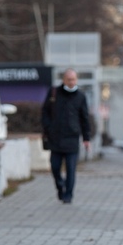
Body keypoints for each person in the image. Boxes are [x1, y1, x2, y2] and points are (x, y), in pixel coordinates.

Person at [41, 68, 93, 204]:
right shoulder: (54, 93)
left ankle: (68, 195)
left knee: (71, 169)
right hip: (56, 138)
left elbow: (84, 118)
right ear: (63, 80)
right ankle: (60, 185)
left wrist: (86, 138)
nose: (71, 82)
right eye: (69, 79)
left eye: (74, 79)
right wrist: (48, 127)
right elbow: (45, 112)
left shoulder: (80, 96)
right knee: (55, 167)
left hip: (72, 138)